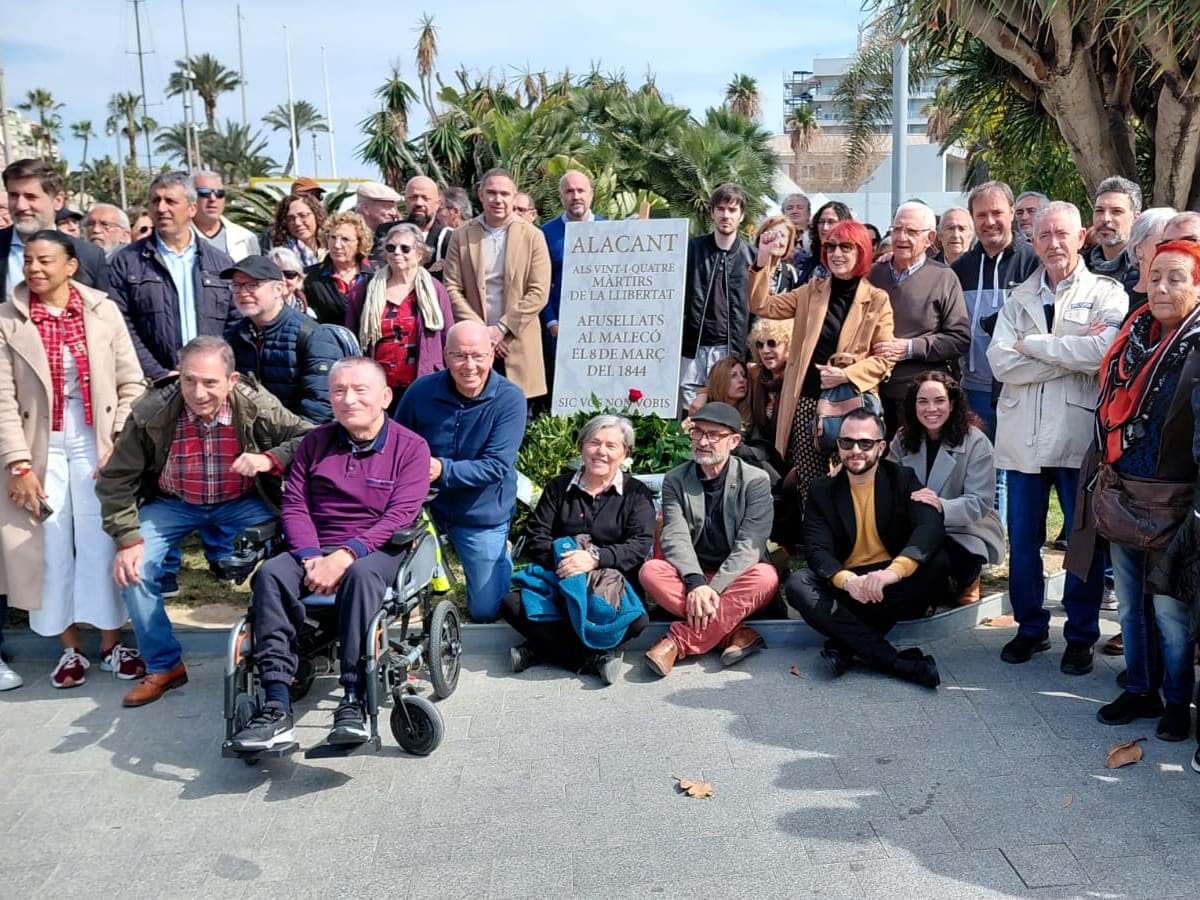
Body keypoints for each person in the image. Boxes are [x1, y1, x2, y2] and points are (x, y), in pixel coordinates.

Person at [95, 336, 311, 707]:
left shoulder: (255, 404)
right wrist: (126, 538)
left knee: (292, 554)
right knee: (135, 568)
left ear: (232, 379)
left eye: (210, 382)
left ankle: (288, 650)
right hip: (174, 502)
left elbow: (308, 436)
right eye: (189, 380)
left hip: (242, 501)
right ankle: (164, 666)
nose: (198, 392)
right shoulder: (152, 410)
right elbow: (116, 478)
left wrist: (269, 459)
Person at [229, 357, 431, 750]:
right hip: (313, 547)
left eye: (360, 390)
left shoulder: (411, 448)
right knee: (270, 574)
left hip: (377, 550)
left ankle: (353, 698)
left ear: (385, 397)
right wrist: (309, 557)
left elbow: (400, 516)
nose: (348, 399)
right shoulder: (313, 443)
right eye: (338, 391)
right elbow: (294, 506)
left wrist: (344, 556)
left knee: (360, 576)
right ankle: (276, 703)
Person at [1063, 239, 1200, 745]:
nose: (1161, 287)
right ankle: (1140, 687)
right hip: (1122, 493)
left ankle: (1177, 699)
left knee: (1170, 609)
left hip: (1177, 502)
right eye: (1154, 275)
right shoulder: (1133, 332)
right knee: (1128, 606)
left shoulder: (1198, 343)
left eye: (1176, 278)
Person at [0, 231, 145, 689]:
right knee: (50, 545)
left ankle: (111, 643)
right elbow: (2, 397)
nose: (35, 270)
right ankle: (67, 649)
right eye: (29, 263)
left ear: (71, 266)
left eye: (46, 261)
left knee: (104, 541)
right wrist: (17, 464)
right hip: (39, 445)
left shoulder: (101, 311)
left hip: (95, 442)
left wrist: (117, 441)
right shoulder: (8, 318)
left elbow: (132, 382)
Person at [987, 201, 1124, 673]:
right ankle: (1030, 628)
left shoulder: (1106, 292)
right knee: (1022, 540)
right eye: (1044, 235)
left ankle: (1081, 634)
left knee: (1082, 541)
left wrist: (1034, 346)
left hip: (1075, 436)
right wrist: (1065, 351)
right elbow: (1000, 361)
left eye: (1062, 234)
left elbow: (1101, 351)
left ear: (1081, 236)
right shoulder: (1018, 295)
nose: (1054, 244)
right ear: (1033, 241)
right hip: (1022, 435)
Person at [786, 409, 945, 688]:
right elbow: (816, 549)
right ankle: (895, 662)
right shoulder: (823, 489)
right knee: (798, 583)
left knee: (939, 561)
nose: (855, 450)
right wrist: (848, 582)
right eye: (847, 442)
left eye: (865, 443)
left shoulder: (902, 479)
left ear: (881, 447)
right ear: (838, 445)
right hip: (848, 584)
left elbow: (929, 527)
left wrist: (892, 573)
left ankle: (844, 647)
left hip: (890, 585)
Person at [749, 219, 894, 511]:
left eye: (845, 246)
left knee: (853, 474)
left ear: (862, 251)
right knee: (810, 479)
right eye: (830, 246)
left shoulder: (877, 300)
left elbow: (884, 360)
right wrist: (763, 258)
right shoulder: (810, 291)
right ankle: (816, 542)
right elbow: (761, 305)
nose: (836, 253)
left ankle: (854, 543)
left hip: (851, 402)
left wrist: (845, 374)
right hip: (805, 401)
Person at [500, 414, 655, 685]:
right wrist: (568, 561)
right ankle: (591, 659)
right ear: (582, 445)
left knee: (638, 620)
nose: (601, 452)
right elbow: (536, 536)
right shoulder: (559, 488)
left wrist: (595, 559)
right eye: (594, 442)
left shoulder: (636, 493)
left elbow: (639, 545)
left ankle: (539, 650)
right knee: (512, 605)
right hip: (562, 580)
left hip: (610, 588)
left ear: (625, 453)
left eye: (611, 446)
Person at [394, 321, 526, 622]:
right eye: (459, 356)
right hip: (424, 507)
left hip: (481, 512)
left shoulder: (510, 399)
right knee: (395, 590)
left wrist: (440, 469)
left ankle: (500, 551)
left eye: (478, 356)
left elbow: (495, 466)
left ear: (492, 355)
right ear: (444, 355)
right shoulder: (420, 392)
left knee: (486, 611)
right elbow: (397, 444)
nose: (469, 366)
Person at [639, 402, 778, 676]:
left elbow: (751, 545)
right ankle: (732, 633)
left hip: (737, 579)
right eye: (698, 432)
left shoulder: (756, 481)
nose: (703, 441)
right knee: (650, 571)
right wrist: (696, 583)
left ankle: (678, 642)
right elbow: (674, 536)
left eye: (713, 434)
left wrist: (713, 589)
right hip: (692, 577)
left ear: (734, 441)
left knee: (766, 576)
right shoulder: (676, 480)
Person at [109, 170, 239, 385]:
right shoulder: (127, 261)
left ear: (192, 208)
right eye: (155, 201)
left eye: (170, 201)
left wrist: (216, 371)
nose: (161, 208)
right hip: (154, 384)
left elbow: (235, 323)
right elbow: (120, 323)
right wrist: (157, 373)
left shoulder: (221, 263)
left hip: (210, 384)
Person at [889, 371, 1005, 606]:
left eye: (939, 401)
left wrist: (939, 505)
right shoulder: (902, 439)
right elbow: (887, 483)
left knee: (935, 559)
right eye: (923, 401)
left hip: (964, 531)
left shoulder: (976, 442)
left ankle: (967, 580)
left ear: (952, 404)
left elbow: (979, 502)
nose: (931, 408)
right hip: (916, 529)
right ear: (913, 405)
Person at [443, 168, 551, 401]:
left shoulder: (533, 236)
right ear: (480, 194)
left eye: (504, 193)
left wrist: (501, 329)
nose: (498, 199)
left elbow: (538, 292)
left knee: (519, 417)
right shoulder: (461, 235)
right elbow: (451, 287)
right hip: (473, 349)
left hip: (517, 344)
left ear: (514, 196)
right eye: (491, 192)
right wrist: (483, 334)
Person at [870, 201, 970, 435]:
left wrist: (911, 348)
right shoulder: (874, 274)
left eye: (911, 232)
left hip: (923, 400)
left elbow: (960, 339)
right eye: (896, 229)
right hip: (874, 394)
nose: (902, 237)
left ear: (930, 237)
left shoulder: (944, 278)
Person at [224, 255, 347, 423]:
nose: (243, 293)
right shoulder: (232, 336)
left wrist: (286, 447)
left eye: (253, 285)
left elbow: (320, 408)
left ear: (279, 289)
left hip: (298, 439)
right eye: (236, 286)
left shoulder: (312, 335)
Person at [348, 222, 452, 409]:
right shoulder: (363, 291)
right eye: (391, 247)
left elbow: (447, 337)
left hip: (423, 383)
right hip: (377, 385)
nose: (397, 252)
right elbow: (351, 339)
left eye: (405, 248)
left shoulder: (435, 290)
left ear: (419, 254)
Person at [679, 184, 755, 410]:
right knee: (689, 410)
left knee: (725, 410)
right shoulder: (692, 249)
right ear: (712, 212)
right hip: (693, 346)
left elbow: (757, 309)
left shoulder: (751, 256)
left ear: (741, 215)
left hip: (730, 348)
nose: (726, 215)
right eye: (721, 209)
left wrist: (750, 355)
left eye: (732, 210)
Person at [2, 158, 108, 301]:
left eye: (30, 197)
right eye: (14, 196)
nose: (20, 205)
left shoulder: (89, 256)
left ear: (58, 200)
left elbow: (101, 314)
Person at [540, 170, 604, 401]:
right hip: (561, 330)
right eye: (569, 191)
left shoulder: (611, 230)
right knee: (564, 393)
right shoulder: (545, 233)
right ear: (561, 196)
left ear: (591, 194)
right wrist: (551, 322)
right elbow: (540, 283)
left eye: (580, 190)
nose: (575, 196)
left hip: (602, 330)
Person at [303, 211, 373, 325]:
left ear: (359, 243)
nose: (337, 245)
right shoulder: (310, 278)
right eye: (333, 237)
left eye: (345, 239)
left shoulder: (374, 276)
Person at [1084, 176, 1141, 293]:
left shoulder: (1146, 272)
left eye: (1116, 211)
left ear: (1136, 218)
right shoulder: (1079, 269)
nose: (1105, 219)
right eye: (1099, 211)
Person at [192, 170, 259, 261]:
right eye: (204, 193)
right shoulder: (176, 238)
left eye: (219, 193)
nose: (212, 198)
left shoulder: (246, 238)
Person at [1121, 206, 1175, 318]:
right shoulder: (1117, 297)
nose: (1174, 250)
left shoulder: (1186, 298)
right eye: (1164, 243)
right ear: (1139, 249)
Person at [404, 175, 450, 269]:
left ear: (437, 204)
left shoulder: (448, 238)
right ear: (406, 201)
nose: (419, 203)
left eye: (425, 198)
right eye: (413, 197)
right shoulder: (387, 232)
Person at [272, 192, 326, 268]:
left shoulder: (331, 250)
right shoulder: (281, 257)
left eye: (303, 215)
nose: (297, 223)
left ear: (317, 216)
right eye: (290, 218)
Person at [803, 201, 853, 283]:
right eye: (821, 222)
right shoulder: (811, 262)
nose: (825, 227)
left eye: (831, 222)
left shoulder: (850, 261)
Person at [753, 216, 802, 293]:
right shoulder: (746, 266)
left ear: (788, 243)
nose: (777, 240)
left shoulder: (792, 275)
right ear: (760, 237)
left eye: (782, 235)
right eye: (772, 233)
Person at [266, 246, 311, 316]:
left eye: (289, 274)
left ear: (299, 280)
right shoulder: (257, 311)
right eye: (275, 273)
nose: (282, 279)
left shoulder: (309, 312)